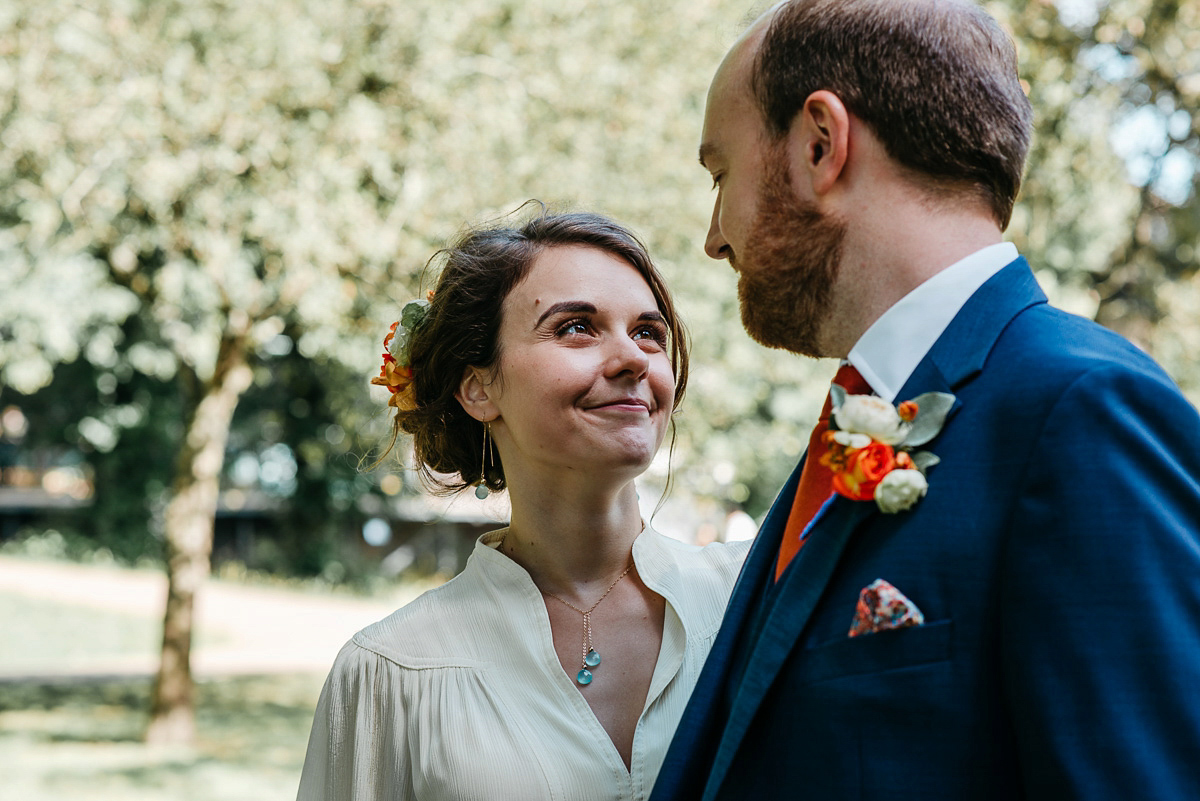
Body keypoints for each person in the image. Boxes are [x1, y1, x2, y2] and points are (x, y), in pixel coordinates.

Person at [651, 1, 1200, 799]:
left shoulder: (1081, 410)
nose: (714, 235)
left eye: (719, 175)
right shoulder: (865, 412)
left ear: (819, 143)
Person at [296, 209, 749, 801]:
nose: (634, 359)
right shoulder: (391, 670)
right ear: (478, 387)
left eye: (648, 333)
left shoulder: (753, 599)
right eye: (576, 328)